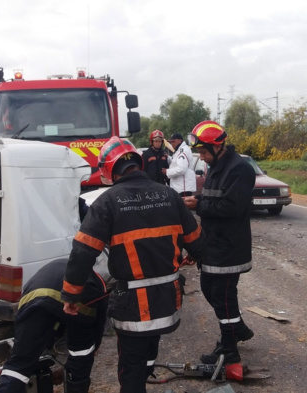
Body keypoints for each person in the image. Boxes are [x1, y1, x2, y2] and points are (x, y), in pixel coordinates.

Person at [61, 136, 206, 393]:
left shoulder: (107, 202)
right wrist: (194, 254)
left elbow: (82, 253)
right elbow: (196, 241)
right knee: (149, 348)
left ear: (108, 170)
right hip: (167, 301)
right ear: (138, 164)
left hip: (133, 308)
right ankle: (145, 372)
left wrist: (71, 295)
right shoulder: (170, 195)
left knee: (131, 368)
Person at [182, 121, 256, 365]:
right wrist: (199, 199)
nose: (201, 157)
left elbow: (232, 206)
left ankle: (229, 348)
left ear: (217, 146)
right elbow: (216, 198)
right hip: (212, 244)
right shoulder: (215, 165)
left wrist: (199, 205)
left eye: (203, 152)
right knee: (208, 289)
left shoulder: (240, 169)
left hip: (229, 247)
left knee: (223, 297)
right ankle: (238, 329)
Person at [0, 258, 108, 393]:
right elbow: (98, 326)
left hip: (34, 297)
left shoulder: (55, 265)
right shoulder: (97, 281)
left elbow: (35, 323)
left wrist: (32, 348)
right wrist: (89, 350)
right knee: (82, 353)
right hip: (76, 301)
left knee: (18, 365)